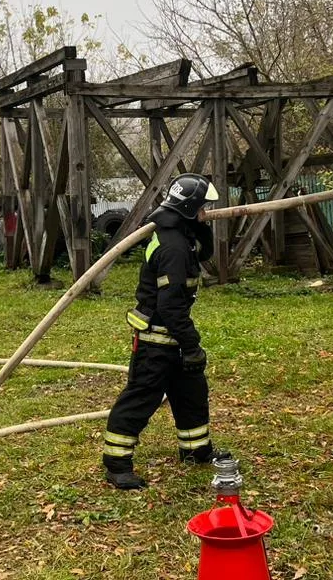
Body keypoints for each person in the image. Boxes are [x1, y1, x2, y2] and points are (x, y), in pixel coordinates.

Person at [102, 174, 227, 490]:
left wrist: (202, 234)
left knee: (192, 394)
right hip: (157, 340)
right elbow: (170, 307)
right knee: (141, 399)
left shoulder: (179, 235)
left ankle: (195, 450)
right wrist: (193, 344)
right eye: (203, 208)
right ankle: (117, 463)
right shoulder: (172, 246)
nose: (206, 212)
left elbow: (201, 256)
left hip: (173, 339)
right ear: (189, 208)